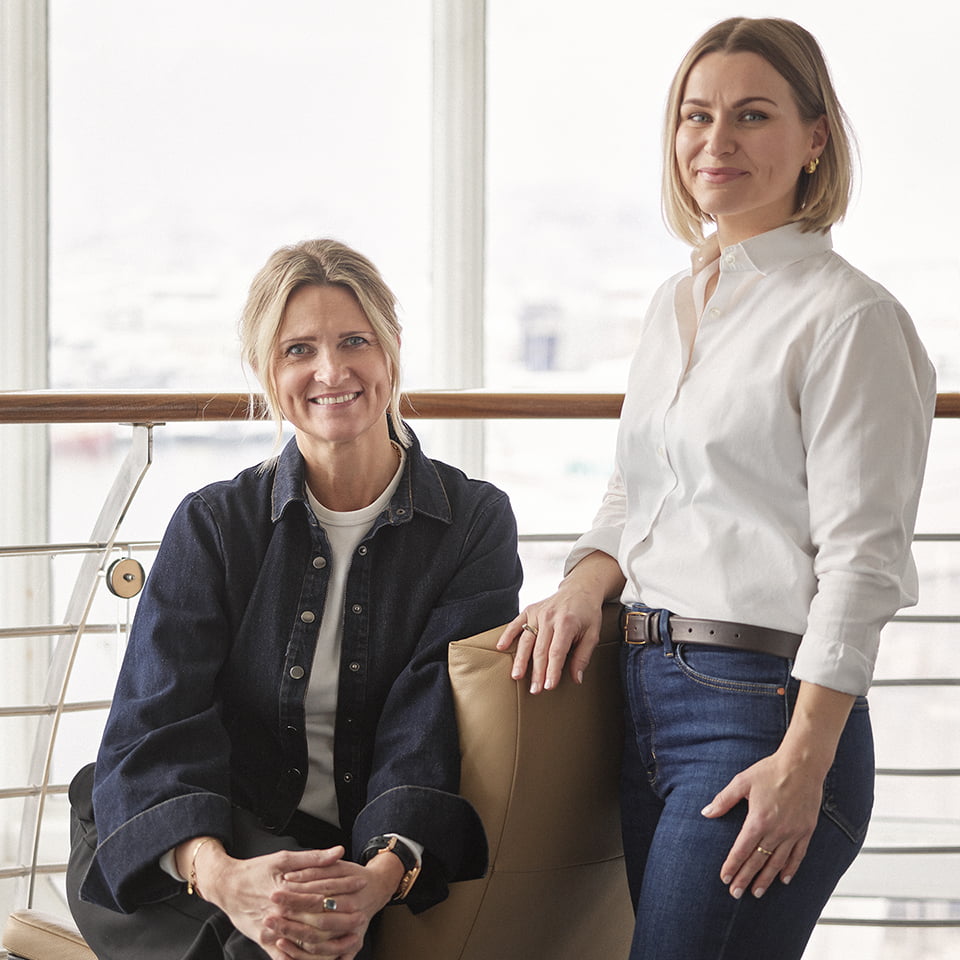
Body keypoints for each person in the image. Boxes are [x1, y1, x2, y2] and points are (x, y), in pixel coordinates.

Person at [498, 17, 935, 960]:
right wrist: (582, 584)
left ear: (816, 139)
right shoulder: (677, 302)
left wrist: (804, 759)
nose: (716, 141)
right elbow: (638, 487)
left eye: (751, 114)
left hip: (764, 712)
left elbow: (863, 562)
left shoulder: (850, 317)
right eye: (696, 116)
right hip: (644, 691)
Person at [66, 238, 522, 960]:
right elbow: (158, 721)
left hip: (333, 851)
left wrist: (384, 873)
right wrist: (221, 875)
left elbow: (429, 719)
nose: (331, 370)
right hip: (182, 844)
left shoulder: (472, 524)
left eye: (353, 341)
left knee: (307, 939)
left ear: (392, 348)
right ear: (266, 372)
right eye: (298, 350)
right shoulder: (213, 523)